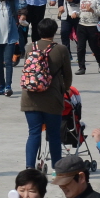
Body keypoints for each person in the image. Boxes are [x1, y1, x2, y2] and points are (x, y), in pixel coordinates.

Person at [21, 19, 70, 170]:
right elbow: (67, 76)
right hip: (52, 98)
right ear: (54, 32)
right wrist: (64, 90)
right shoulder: (61, 49)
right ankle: (57, 169)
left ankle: (30, 167)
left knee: (34, 133)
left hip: (30, 98)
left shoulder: (30, 47)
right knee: (54, 135)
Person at [74, 0, 100, 76]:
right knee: (80, 47)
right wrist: (76, 14)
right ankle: (81, 67)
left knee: (94, 47)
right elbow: (81, 11)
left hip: (92, 26)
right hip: (82, 25)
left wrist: (92, 10)